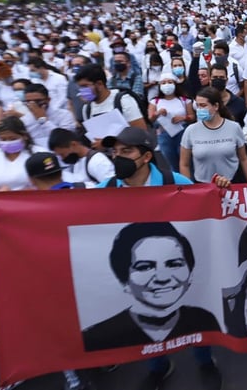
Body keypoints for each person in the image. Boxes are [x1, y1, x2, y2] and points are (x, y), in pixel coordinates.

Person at [95, 129, 221, 389]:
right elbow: (60, 207)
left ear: (146, 156)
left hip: (177, 267)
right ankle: (158, 366)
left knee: (193, 317)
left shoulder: (172, 181)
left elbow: (206, 204)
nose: (118, 157)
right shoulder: (104, 189)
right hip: (139, 272)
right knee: (146, 320)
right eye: (114, 152)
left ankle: (205, 362)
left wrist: (219, 189)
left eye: (126, 151)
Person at [80, 222, 220, 351]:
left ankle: (205, 363)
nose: (162, 278)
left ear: (190, 274)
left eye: (174, 264)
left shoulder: (204, 318)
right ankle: (159, 369)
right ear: (123, 280)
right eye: (145, 267)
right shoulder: (99, 336)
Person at [23, 152, 89, 390]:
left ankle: (74, 378)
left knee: (60, 329)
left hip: (54, 278)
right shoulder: (87, 189)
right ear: (59, 171)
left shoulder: (26, 209)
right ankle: (103, 360)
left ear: (31, 179)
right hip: (91, 271)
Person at [179, 87, 247, 184]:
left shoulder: (234, 128)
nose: (199, 109)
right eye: (197, 106)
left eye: (203, 105)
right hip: (203, 186)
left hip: (232, 182)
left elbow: (243, 158)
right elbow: (184, 164)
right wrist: (187, 189)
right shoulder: (190, 131)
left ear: (216, 106)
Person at [0, 117, 39, 192]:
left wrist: (11, 194)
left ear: (24, 136)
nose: (8, 142)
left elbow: (47, 184)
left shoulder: (38, 153)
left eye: (13, 138)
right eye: (3, 139)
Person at [148, 72, 194, 172]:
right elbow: (150, 119)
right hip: (164, 134)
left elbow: (192, 117)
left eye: (170, 82)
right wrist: (158, 113)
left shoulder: (184, 100)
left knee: (186, 162)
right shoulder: (155, 101)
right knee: (172, 163)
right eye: (163, 83)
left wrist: (183, 118)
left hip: (182, 133)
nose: (167, 85)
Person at [47, 128, 115, 186]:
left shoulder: (97, 161)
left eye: (62, 154)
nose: (62, 158)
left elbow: (113, 188)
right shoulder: (76, 161)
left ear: (73, 144)